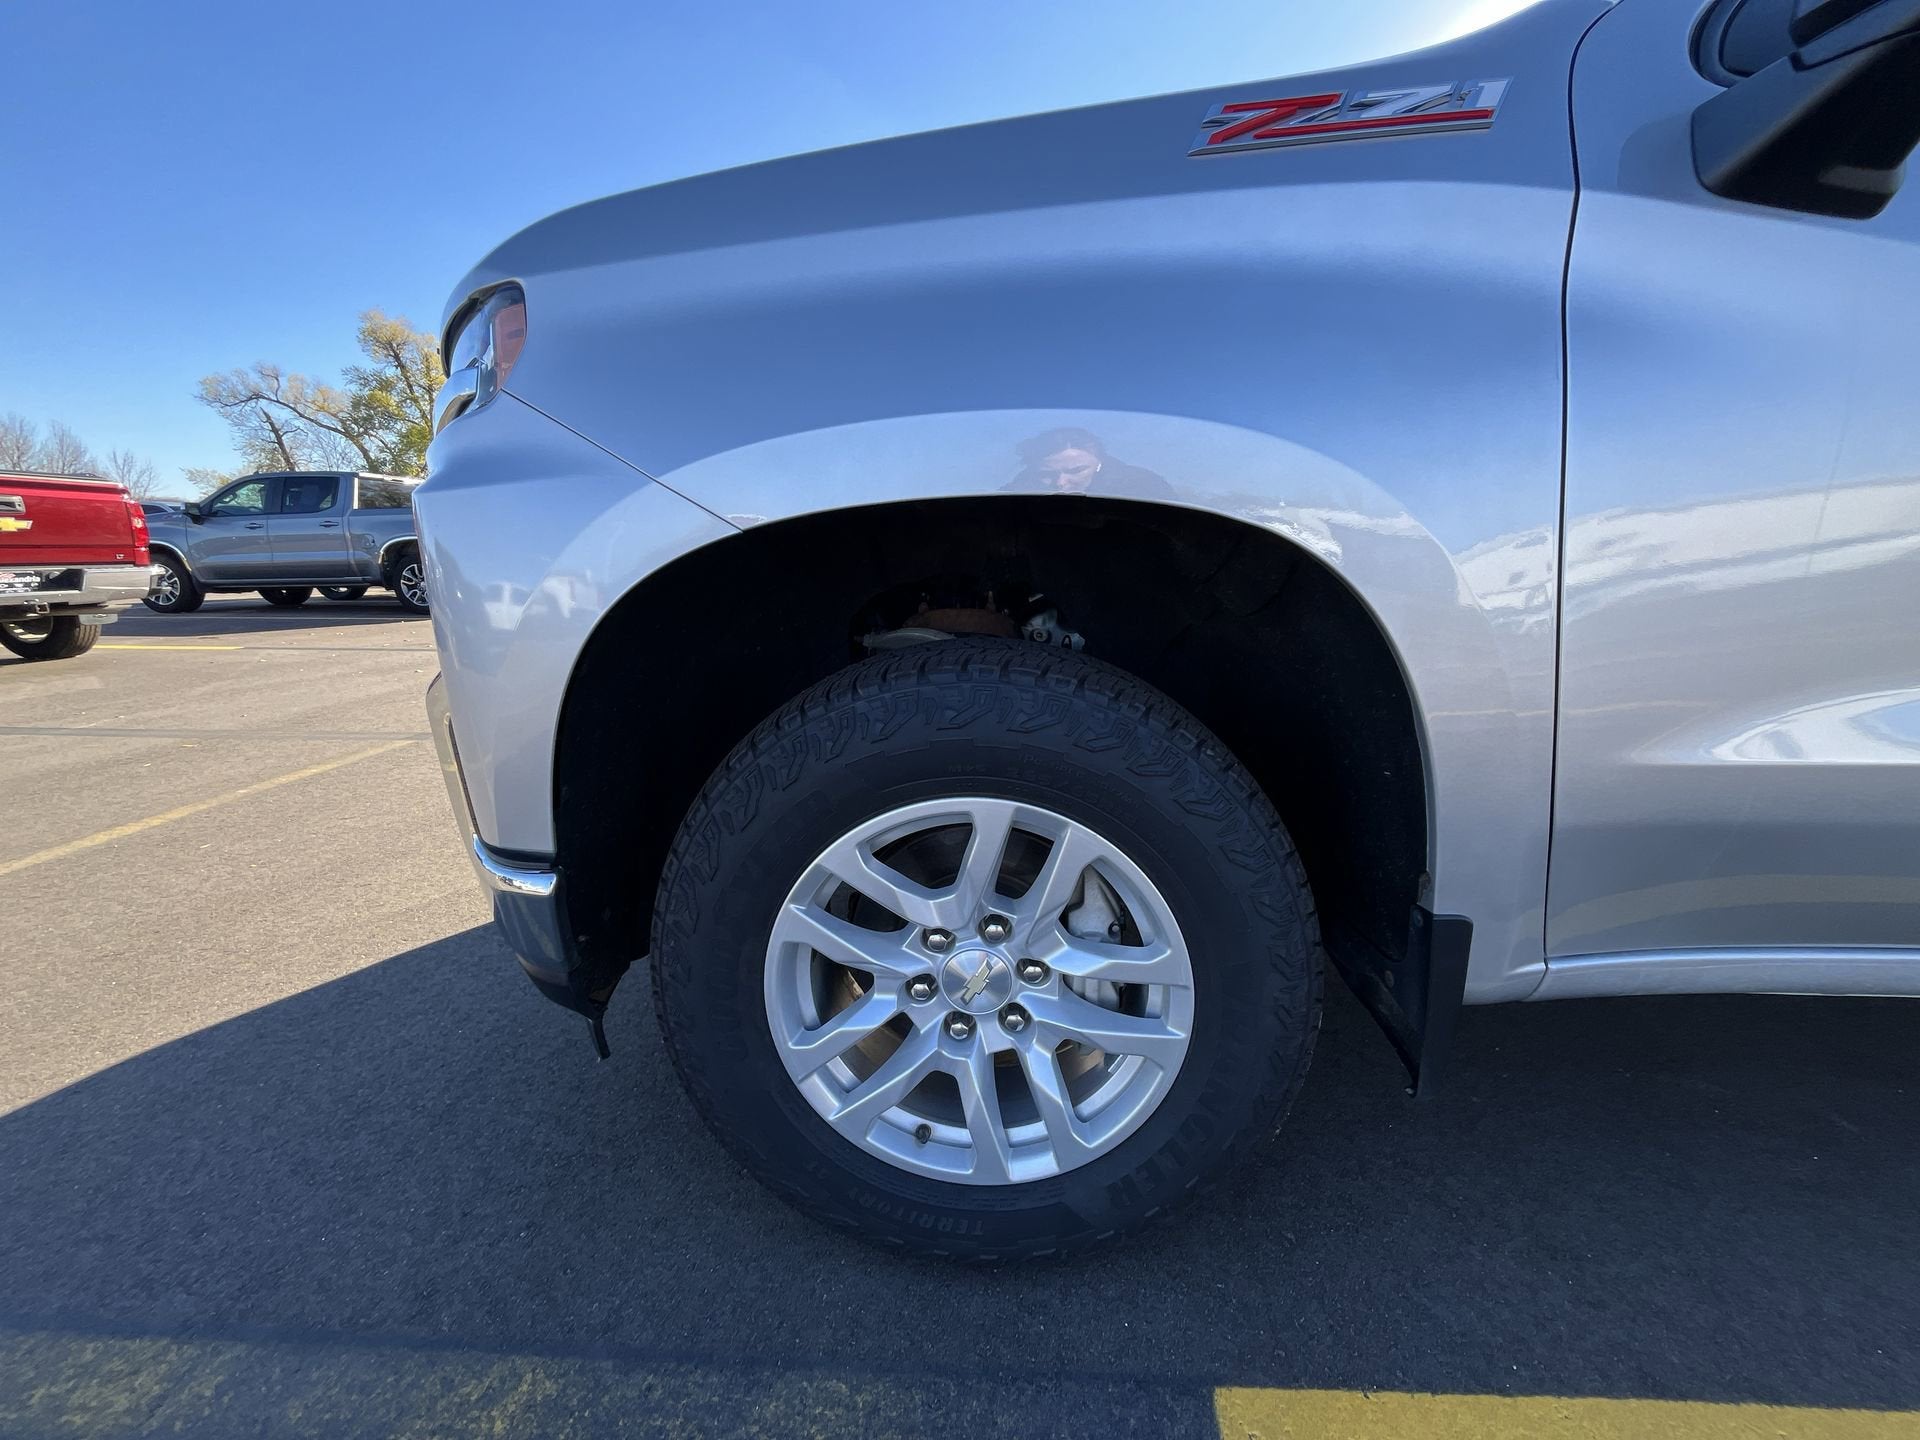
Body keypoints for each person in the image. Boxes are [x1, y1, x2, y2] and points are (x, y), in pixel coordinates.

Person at [1004, 428, 1176, 500]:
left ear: (1099, 462)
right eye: (1046, 474)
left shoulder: (1143, 486)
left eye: (1076, 470)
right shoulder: (1019, 489)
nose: (1060, 482)